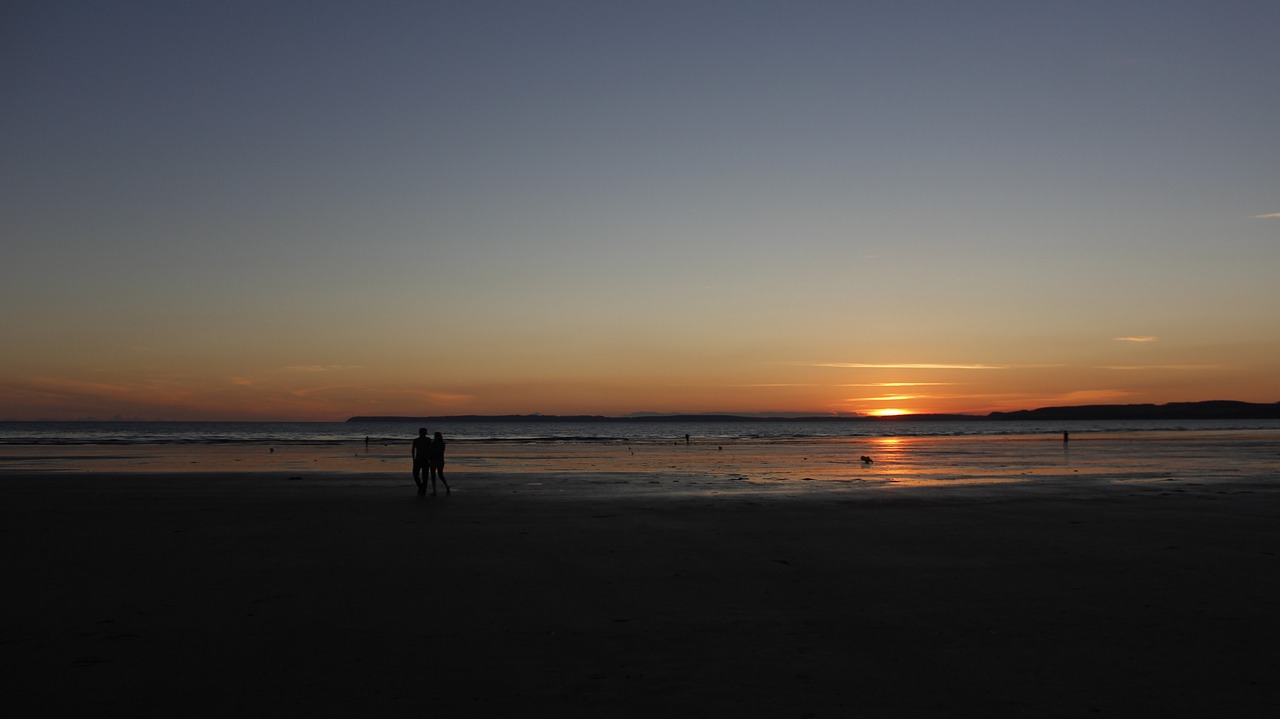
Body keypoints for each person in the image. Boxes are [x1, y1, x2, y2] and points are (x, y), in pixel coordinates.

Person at [428, 431, 450, 495]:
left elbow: (435, 451)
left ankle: (445, 487)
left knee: (440, 475)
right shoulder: (436, 443)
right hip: (435, 460)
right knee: (434, 475)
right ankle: (435, 490)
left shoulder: (439, 443)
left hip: (438, 460)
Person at [411, 428, 431, 496]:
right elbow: (413, 449)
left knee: (425, 476)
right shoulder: (416, 440)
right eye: (423, 432)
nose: (424, 434)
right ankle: (420, 487)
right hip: (418, 459)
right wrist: (413, 458)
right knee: (415, 474)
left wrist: (429, 458)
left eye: (425, 432)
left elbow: (430, 450)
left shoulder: (428, 440)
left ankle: (423, 489)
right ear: (420, 433)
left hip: (425, 459)